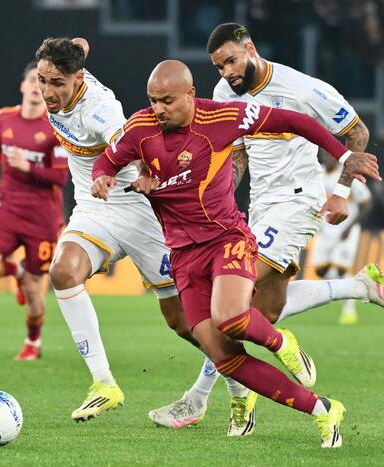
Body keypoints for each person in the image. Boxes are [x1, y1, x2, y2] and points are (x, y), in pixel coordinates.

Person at [91, 60, 381, 447]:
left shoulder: (223, 117)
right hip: (183, 257)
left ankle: (281, 342)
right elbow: (106, 160)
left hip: (227, 239)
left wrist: (343, 157)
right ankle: (323, 410)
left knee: (229, 317)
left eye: (167, 101)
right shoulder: (139, 128)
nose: (158, 109)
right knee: (226, 359)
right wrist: (102, 177)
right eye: (153, 100)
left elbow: (293, 120)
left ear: (191, 95)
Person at [149, 23, 384, 428]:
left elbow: (358, 133)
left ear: (250, 48)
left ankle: (199, 399)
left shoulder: (303, 89)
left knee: (228, 301)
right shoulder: (225, 93)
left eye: (231, 61)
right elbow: (236, 155)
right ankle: (360, 287)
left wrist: (341, 192)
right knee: (265, 309)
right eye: (219, 66)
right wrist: (214, 206)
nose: (227, 72)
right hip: (259, 207)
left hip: (298, 202)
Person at [36, 38, 254, 431]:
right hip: (94, 210)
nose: (48, 92)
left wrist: (145, 174)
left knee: (184, 323)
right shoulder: (68, 76)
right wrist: (76, 47)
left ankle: (239, 384)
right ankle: (104, 384)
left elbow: (133, 141)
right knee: (63, 272)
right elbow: (79, 46)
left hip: (139, 213)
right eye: (43, 81)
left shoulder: (99, 111)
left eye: (57, 83)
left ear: (78, 79)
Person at [0, 62, 69, 361]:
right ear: (23, 86)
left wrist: (28, 167)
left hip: (42, 216)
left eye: (43, 83)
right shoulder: (4, 118)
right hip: (8, 207)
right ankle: (17, 270)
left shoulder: (55, 126)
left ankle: (33, 343)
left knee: (34, 291)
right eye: (33, 80)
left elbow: (60, 177)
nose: (38, 87)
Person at [312, 151, 373, 325]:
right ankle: (356, 285)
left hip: (346, 230)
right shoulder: (317, 172)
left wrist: (351, 226)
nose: (326, 158)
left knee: (340, 269)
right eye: (323, 155)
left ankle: (349, 311)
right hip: (326, 231)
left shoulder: (346, 175)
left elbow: (367, 202)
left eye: (329, 154)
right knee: (320, 271)